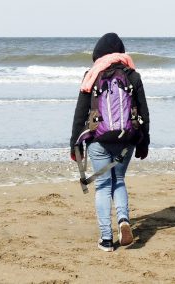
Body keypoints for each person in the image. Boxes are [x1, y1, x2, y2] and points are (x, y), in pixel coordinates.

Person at [70, 33, 150, 252]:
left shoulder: (91, 75)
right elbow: (143, 112)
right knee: (120, 180)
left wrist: (74, 146)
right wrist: (144, 142)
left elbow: (80, 113)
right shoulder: (132, 75)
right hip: (127, 139)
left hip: (98, 140)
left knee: (103, 186)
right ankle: (123, 220)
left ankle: (106, 239)